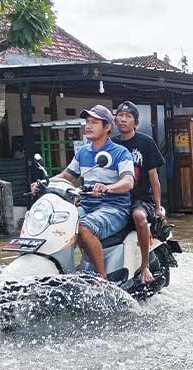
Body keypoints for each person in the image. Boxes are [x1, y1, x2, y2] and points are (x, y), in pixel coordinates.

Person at [31, 104, 134, 280]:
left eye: (94, 122)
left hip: (114, 207)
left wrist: (108, 187)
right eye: (87, 122)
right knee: (59, 222)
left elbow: (128, 182)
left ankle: (101, 278)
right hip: (87, 205)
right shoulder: (83, 152)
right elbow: (66, 175)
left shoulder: (120, 153)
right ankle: (68, 269)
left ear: (107, 127)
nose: (88, 126)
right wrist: (43, 183)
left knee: (83, 227)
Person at [112, 101, 166, 284]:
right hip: (116, 197)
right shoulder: (111, 144)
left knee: (139, 216)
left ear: (135, 122)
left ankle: (144, 266)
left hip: (140, 198)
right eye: (120, 115)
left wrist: (158, 208)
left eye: (128, 116)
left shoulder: (146, 142)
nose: (123, 119)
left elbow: (154, 178)